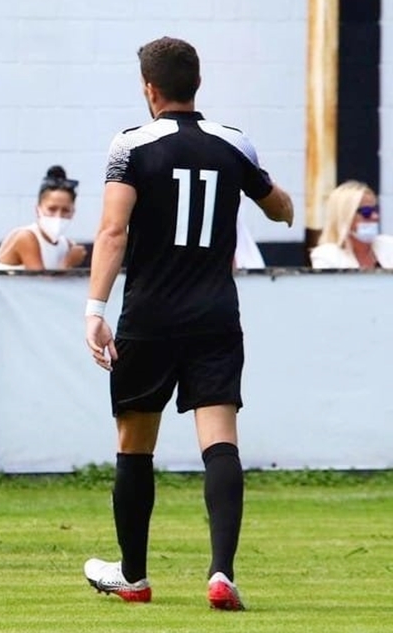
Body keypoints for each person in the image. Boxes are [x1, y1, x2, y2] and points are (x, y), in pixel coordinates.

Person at [81, 36, 293, 609]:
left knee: (134, 445)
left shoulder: (131, 145)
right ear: (196, 84)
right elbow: (281, 207)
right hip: (215, 317)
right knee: (220, 440)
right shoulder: (233, 143)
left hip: (149, 316)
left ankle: (134, 576)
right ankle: (221, 573)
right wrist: (273, 198)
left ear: (149, 88)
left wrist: (95, 309)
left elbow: (112, 232)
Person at [0, 165, 86, 270]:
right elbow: (41, 284)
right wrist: (68, 262)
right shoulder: (26, 238)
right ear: (38, 210)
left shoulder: (66, 245)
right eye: (52, 209)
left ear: (73, 212)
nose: (58, 216)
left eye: (65, 210)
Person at [309, 180, 393, 269]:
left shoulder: (389, 245)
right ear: (345, 217)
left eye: (375, 210)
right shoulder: (326, 256)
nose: (375, 216)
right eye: (366, 212)